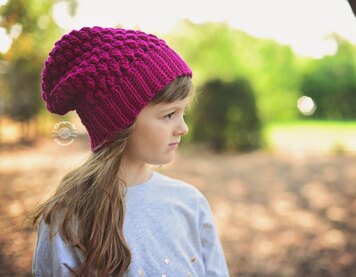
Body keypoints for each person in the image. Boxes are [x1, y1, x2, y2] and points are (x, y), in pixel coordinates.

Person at [29, 26, 229, 277]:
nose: (183, 128)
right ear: (119, 121)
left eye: (183, 112)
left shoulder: (190, 204)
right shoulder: (67, 220)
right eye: (169, 115)